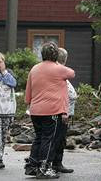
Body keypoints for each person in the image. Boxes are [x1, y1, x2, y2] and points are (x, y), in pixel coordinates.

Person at [24, 42, 75, 179]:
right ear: (56, 55)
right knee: (49, 139)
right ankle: (44, 168)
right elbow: (72, 73)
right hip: (52, 111)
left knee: (39, 138)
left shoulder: (34, 69)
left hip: (35, 110)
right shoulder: (59, 69)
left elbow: (28, 90)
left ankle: (32, 166)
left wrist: (28, 103)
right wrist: (57, 64)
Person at [52, 48, 77, 174]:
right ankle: (55, 163)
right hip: (61, 112)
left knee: (60, 139)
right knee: (58, 138)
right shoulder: (60, 72)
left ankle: (57, 162)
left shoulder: (59, 72)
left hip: (64, 112)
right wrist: (64, 111)